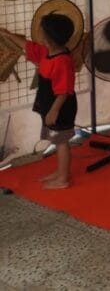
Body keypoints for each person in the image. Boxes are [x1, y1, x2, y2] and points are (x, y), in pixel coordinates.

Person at [1, 14, 77, 189]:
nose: (38, 33)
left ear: (48, 37)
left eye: (40, 30)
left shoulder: (62, 61)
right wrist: (9, 35)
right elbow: (28, 46)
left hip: (60, 108)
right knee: (57, 141)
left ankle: (63, 179)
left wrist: (54, 110)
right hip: (50, 105)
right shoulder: (48, 52)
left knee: (61, 142)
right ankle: (60, 172)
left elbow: (64, 91)